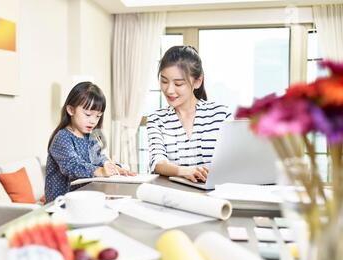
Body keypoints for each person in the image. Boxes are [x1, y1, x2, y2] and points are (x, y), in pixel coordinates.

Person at [147, 45, 232, 183]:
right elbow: (158, 163)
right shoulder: (157, 120)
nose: (169, 90)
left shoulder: (221, 115)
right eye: (164, 81)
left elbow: (233, 163)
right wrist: (185, 171)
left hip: (214, 196)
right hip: (172, 196)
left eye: (179, 84)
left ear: (197, 81)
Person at [45, 82, 133, 203]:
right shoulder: (62, 137)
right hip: (61, 204)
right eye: (88, 114)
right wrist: (100, 171)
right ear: (71, 110)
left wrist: (113, 167)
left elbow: (98, 158)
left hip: (83, 200)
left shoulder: (91, 136)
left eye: (98, 116)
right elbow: (71, 165)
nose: (93, 121)